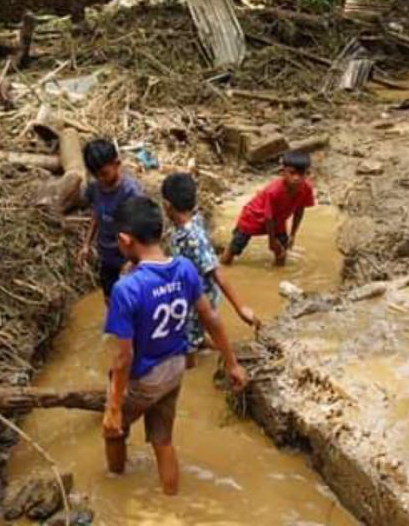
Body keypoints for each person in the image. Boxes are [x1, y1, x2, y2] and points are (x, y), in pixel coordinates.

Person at [102, 196, 247, 495]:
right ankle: (171, 499)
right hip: (175, 369)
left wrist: (114, 408)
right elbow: (211, 318)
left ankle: (115, 485)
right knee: (163, 440)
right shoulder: (183, 269)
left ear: (125, 239)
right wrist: (232, 362)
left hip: (145, 378)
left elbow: (123, 357)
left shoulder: (126, 288)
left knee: (114, 433)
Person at [161, 172, 257, 362]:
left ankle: (190, 371)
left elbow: (217, 272)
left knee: (187, 344)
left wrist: (240, 308)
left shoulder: (192, 236)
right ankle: (227, 349)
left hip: (198, 298)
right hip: (191, 293)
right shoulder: (190, 223)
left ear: (167, 206)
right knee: (193, 334)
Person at [220, 151, 315, 267]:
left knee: (281, 252)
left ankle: (278, 277)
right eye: (292, 173)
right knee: (233, 250)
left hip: (277, 221)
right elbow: (268, 217)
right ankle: (221, 269)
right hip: (252, 218)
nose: (297, 178)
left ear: (307, 174)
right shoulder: (273, 191)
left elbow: (299, 210)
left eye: (301, 174)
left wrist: (293, 234)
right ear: (283, 172)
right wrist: (271, 240)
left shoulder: (306, 189)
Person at [79, 139, 144, 298]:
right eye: (96, 175)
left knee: (133, 302)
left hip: (129, 259)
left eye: (104, 174)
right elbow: (96, 213)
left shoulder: (130, 191)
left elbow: (142, 227)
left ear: (117, 164)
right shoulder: (95, 188)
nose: (101, 179)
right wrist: (86, 244)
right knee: (110, 298)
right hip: (107, 256)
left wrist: (132, 261)